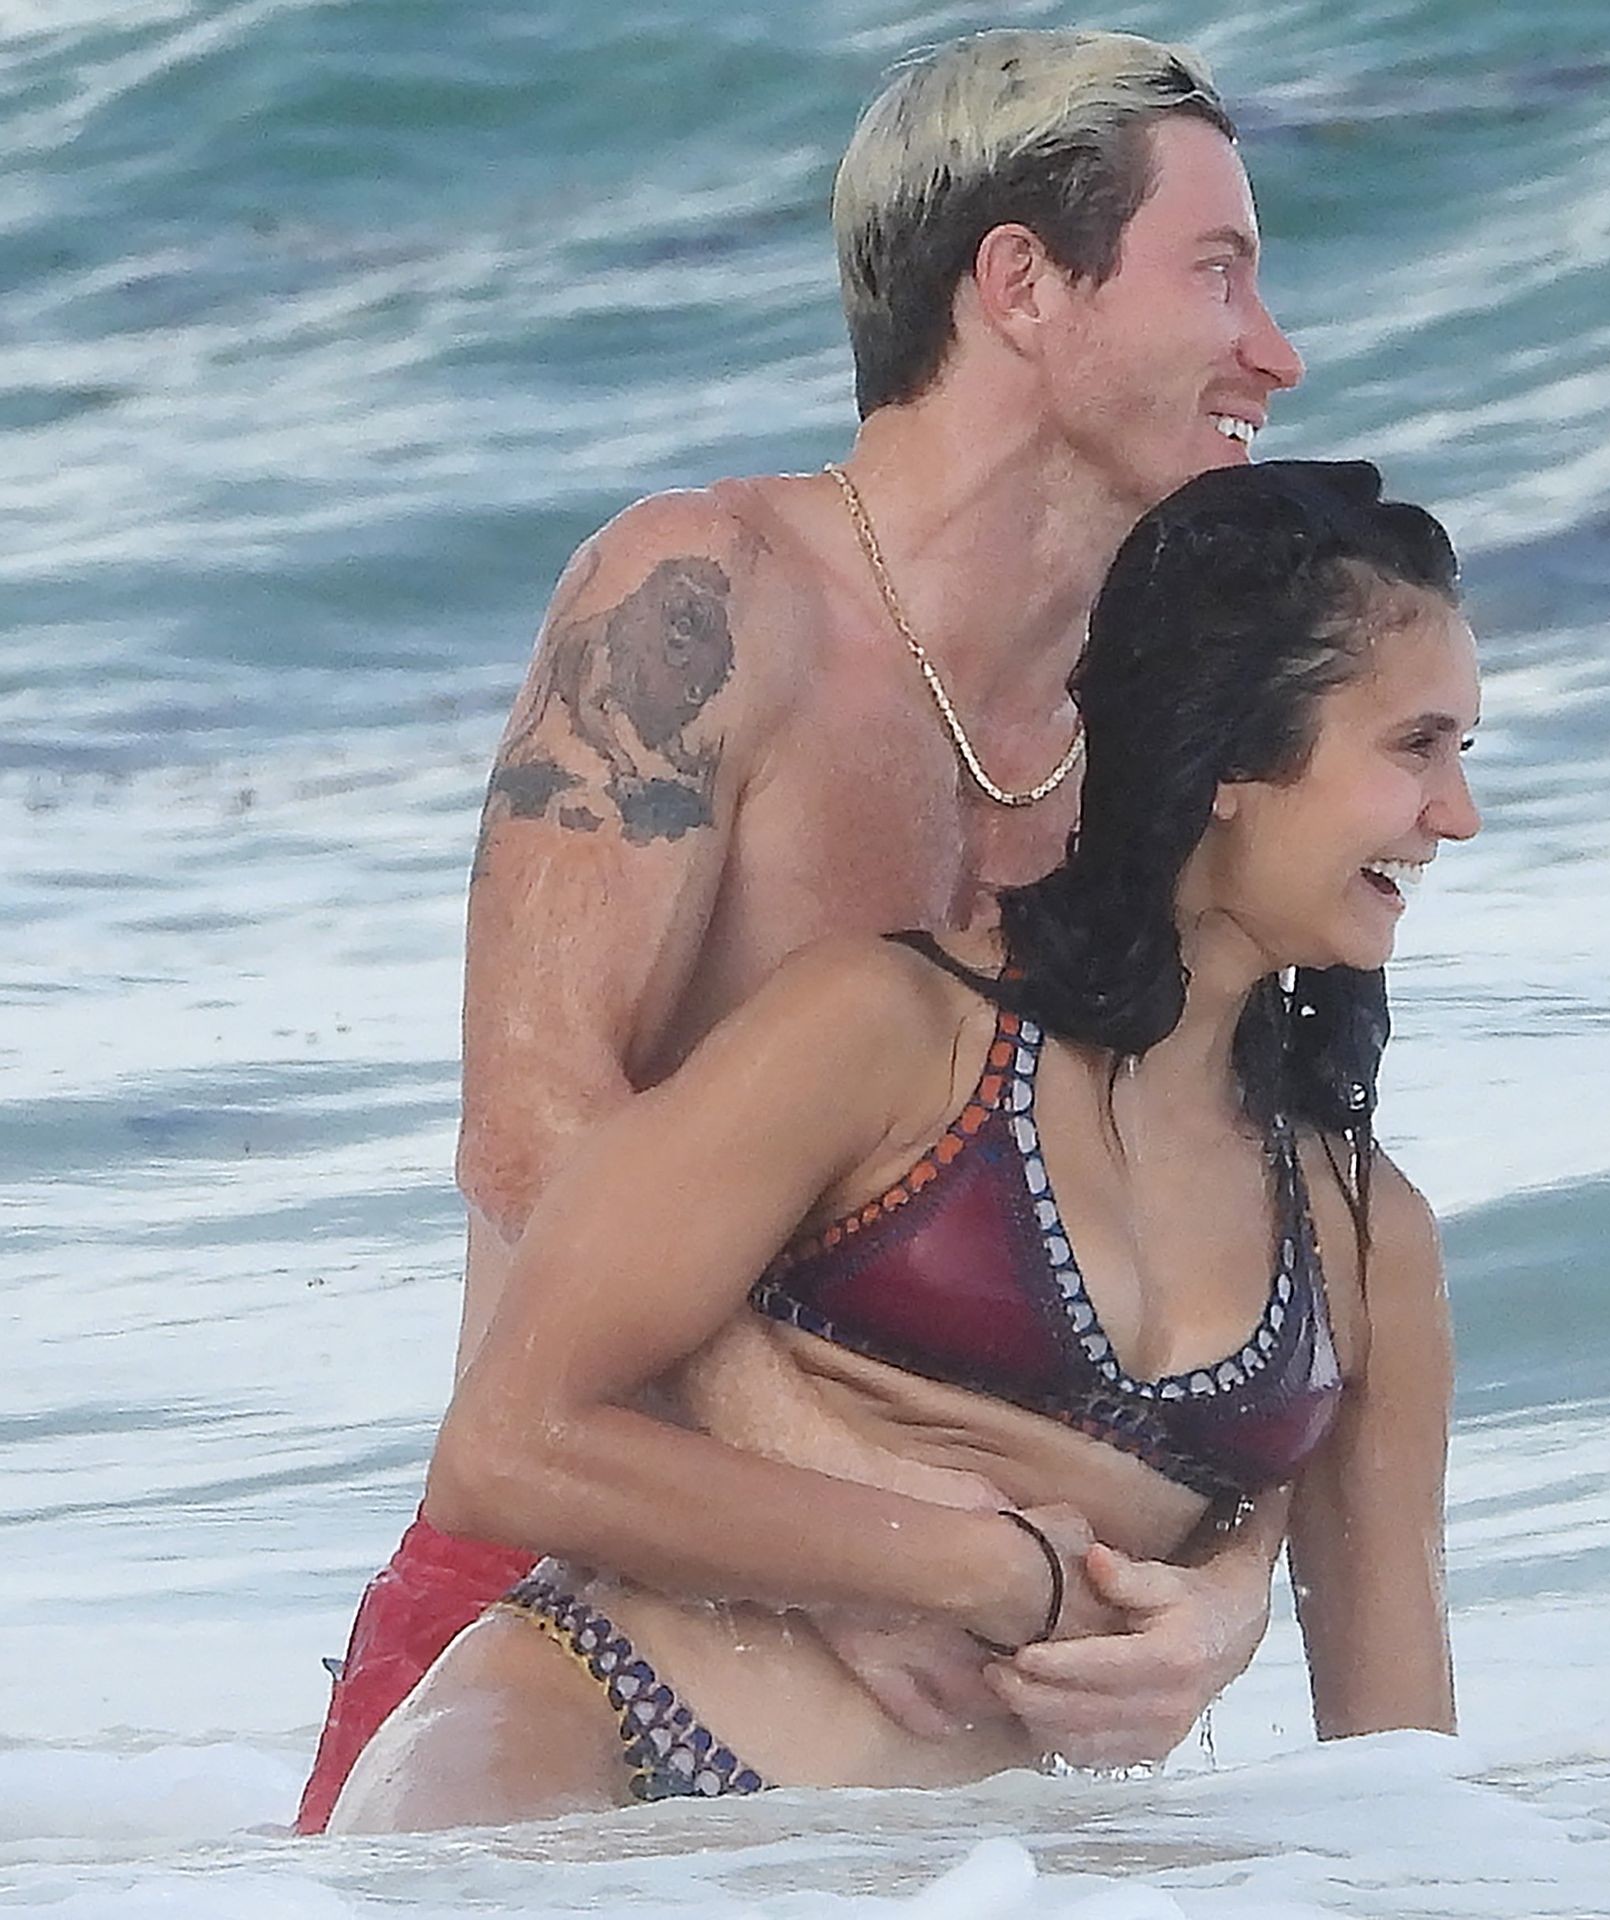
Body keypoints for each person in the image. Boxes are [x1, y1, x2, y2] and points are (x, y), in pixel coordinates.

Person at [297, 27, 1306, 1833]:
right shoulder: (705, 596)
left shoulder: (1157, 738)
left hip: (965, 1731)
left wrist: (1222, 1602)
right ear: (1019, 281)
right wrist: (857, 1521)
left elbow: (1255, 1240)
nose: (1273, 352)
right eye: (1216, 272)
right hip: (568, 1623)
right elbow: (528, 1120)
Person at [325, 457, 1480, 1833]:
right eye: (1415, 748)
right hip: (591, 1752)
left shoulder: (1362, 1239)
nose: (1456, 814)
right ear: (1234, 755)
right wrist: (974, 1571)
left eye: (1462, 754)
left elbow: (1402, 1793)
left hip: (944, 1878)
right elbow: (506, 1447)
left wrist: (1225, 1603)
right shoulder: (886, 1029)